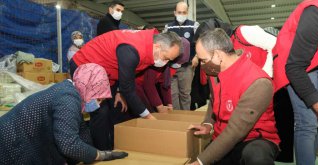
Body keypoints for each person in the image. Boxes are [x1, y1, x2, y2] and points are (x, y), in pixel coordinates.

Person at [70, 29, 182, 150]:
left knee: (118, 108)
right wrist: (148, 116)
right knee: (101, 112)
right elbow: (128, 89)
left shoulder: (149, 44)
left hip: (109, 73)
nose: (165, 63)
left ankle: (115, 145)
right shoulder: (132, 49)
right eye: (165, 58)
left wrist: (118, 90)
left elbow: (127, 72)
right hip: (87, 67)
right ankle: (101, 153)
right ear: (157, 46)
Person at [0, 63, 128, 164]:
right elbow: (69, 144)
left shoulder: (73, 95)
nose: (98, 105)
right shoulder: (67, 98)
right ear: (87, 88)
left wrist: (93, 153)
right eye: (98, 99)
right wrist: (100, 155)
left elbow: (81, 135)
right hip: (10, 144)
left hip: (22, 142)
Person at [188, 29, 280, 165]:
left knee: (257, 157)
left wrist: (200, 162)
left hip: (252, 139)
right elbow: (214, 100)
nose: (201, 65)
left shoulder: (258, 82)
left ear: (218, 55)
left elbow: (236, 131)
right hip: (223, 137)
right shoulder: (215, 71)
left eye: (203, 60)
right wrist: (208, 123)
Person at [272, 1, 318, 164]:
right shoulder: (315, 11)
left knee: (316, 124)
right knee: (308, 122)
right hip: (295, 65)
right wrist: (317, 104)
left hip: (314, 60)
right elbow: (295, 67)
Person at [163, 1, 199, 110]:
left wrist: (197, 56)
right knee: (173, 95)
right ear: (174, 12)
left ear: (187, 12)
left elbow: (200, 42)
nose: (181, 14)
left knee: (185, 94)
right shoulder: (168, 27)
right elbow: (163, 44)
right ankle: (175, 118)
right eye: (179, 12)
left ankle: (185, 118)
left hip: (187, 67)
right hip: (171, 67)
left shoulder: (194, 25)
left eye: (184, 12)